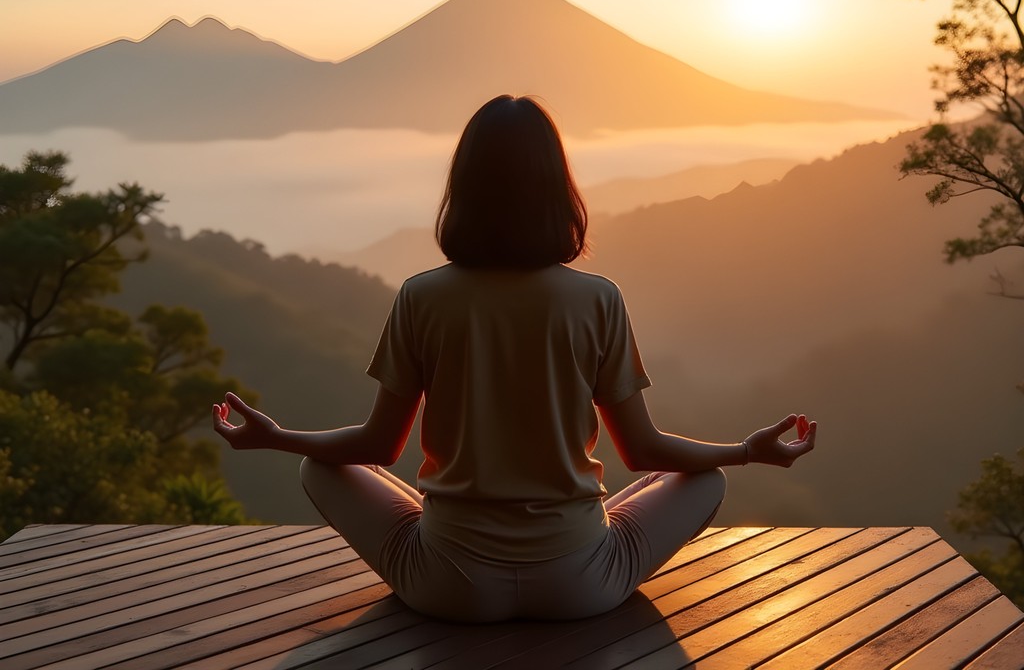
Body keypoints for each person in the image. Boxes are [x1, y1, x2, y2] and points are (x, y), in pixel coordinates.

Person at [212, 94, 817, 623]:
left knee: (317, 466)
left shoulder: (423, 296)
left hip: (447, 587)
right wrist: (746, 452)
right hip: (583, 584)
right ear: (559, 189)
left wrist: (278, 437)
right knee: (701, 479)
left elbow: (377, 447)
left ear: (463, 187)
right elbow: (643, 452)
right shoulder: (597, 299)